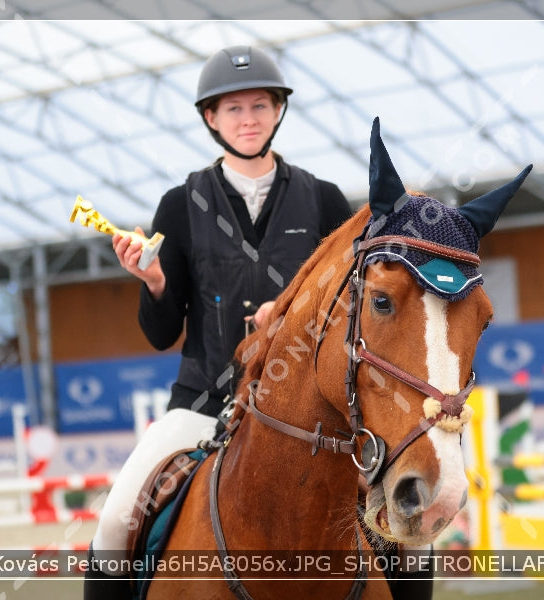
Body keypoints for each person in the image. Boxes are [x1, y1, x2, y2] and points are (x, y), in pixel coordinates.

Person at [84, 45, 352, 599]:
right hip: (204, 404)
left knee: (410, 537)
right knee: (114, 524)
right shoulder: (178, 206)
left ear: (279, 111)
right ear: (211, 118)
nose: (248, 119)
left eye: (260, 105)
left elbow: (350, 310)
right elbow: (161, 334)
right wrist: (155, 282)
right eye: (233, 109)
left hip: (309, 411)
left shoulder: (325, 201)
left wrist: (291, 316)